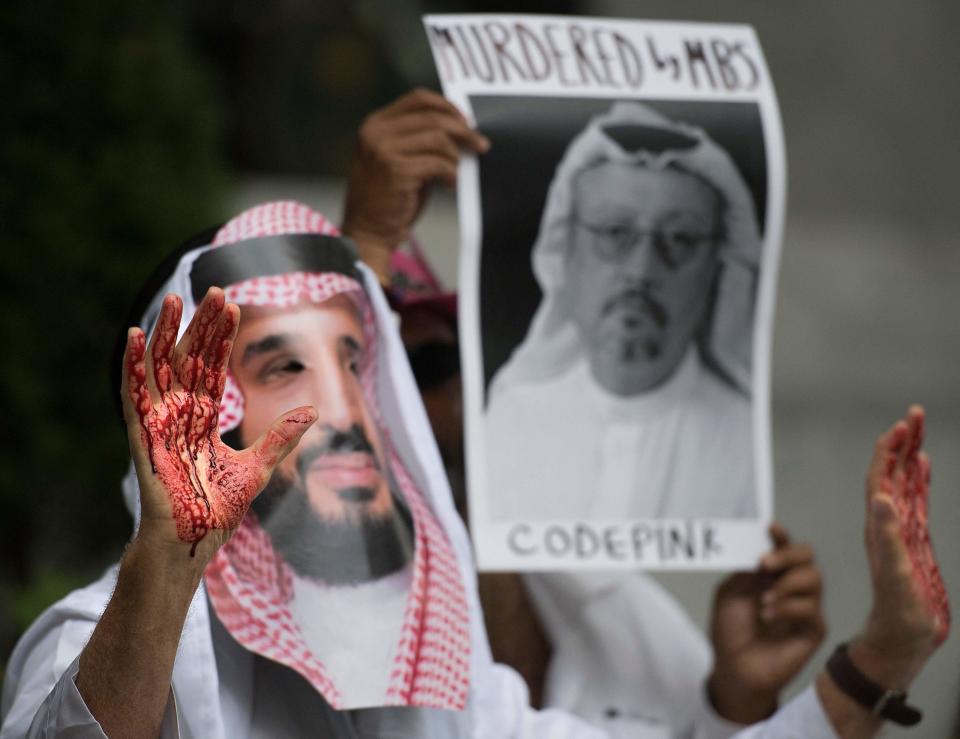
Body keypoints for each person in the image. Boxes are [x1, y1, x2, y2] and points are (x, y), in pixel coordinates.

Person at [0, 196, 951, 738]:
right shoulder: (89, 638)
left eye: (354, 364)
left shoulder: (436, 685)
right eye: (285, 364)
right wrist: (168, 560)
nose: (344, 411)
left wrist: (884, 654)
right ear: (192, 409)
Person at [338, 90, 947, 737]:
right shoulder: (270, 607)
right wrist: (363, 246)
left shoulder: (614, 605)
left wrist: (733, 700)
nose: (411, 407)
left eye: (431, 366)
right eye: (376, 370)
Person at [483, 101, 762, 521]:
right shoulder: (510, 420)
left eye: (680, 240)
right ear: (566, 254)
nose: (641, 271)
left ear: (715, 270)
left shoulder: (746, 443)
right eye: (614, 233)